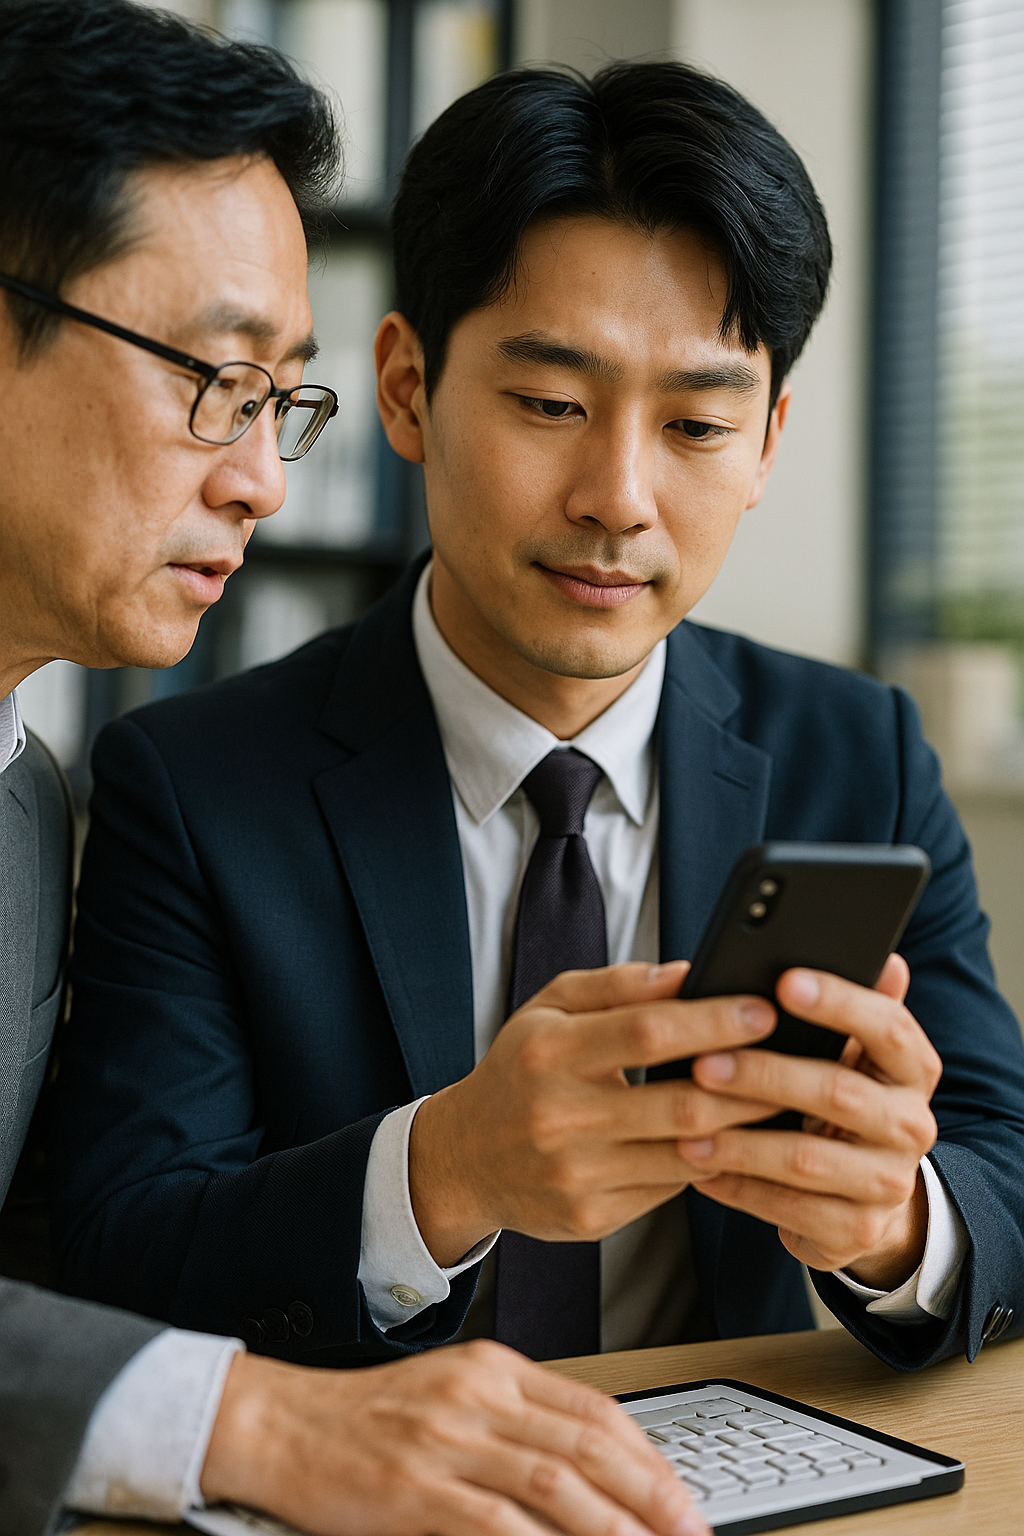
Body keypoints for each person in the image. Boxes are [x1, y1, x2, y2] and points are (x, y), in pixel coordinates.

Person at [52, 59, 1024, 1382]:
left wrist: (901, 1226)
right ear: (405, 388)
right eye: (551, 405)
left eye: (694, 422)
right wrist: (446, 1172)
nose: (618, 496)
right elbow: (112, 1254)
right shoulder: (196, 786)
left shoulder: (862, 758)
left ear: (769, 447)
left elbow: (1005, 1181)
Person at [0, 6, 703, 1535]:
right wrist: (264, 1422)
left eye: (277, 402)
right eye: (214, 378)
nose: (259, 476)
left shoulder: (21, 803)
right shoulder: (168, 788)